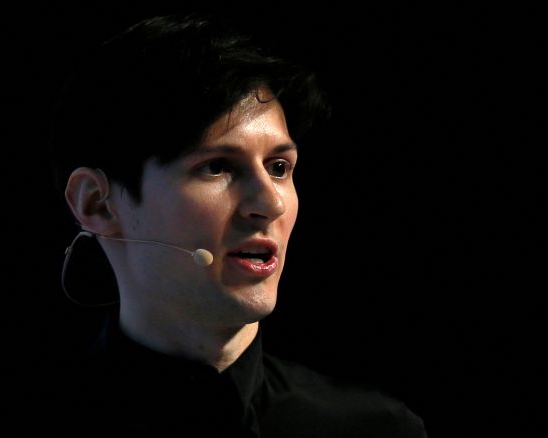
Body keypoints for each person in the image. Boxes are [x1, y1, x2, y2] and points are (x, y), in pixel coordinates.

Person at [45, 12, 428, 437]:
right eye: (217, 167)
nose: (271, 203)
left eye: (279, 167)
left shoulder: (375, 429)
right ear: (97, 204)